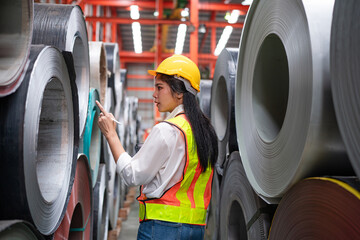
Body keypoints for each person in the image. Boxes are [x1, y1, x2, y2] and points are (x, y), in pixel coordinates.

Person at [96, 54, 218, 240]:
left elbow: (132, 175)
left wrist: (111, 135)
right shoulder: (205, 131)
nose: (154, 94)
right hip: (195, 230)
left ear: (179, 92)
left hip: (162, 229)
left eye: (159, 87)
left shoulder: (167, 130)